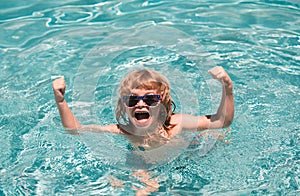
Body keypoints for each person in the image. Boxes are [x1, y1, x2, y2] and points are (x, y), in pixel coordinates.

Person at [52, 66, 234, 149]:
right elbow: (75, 130)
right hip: (147, 162)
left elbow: (221, 121)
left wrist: (227, 88)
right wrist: (61, 101)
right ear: (124, 105)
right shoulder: (124, 130)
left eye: (150, 99)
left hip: (184, 154)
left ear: (161, 102)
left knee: (214, 136)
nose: (140, 104)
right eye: (132, 100)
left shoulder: (177, 123)